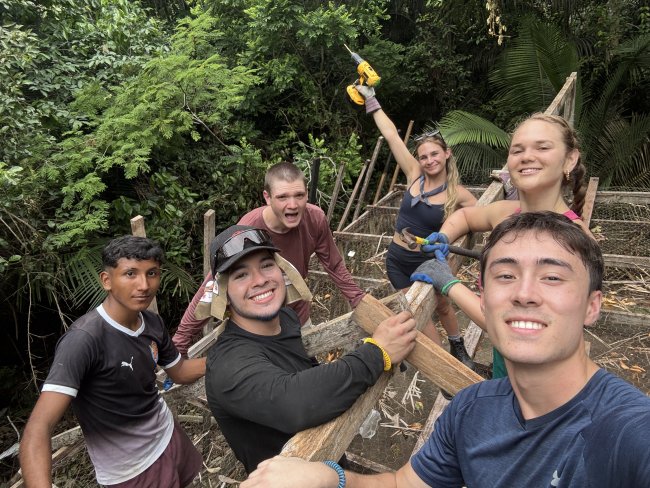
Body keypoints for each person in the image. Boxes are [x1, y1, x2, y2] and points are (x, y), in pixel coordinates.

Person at [240, 212, 650, 488]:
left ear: (593, 305)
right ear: (484, 297)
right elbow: (404, 484)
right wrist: (332, 476)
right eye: (506, 275)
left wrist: (370, 338)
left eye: (552, 277)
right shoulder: (470, 410)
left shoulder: (626, 433)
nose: (525, 293)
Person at [203, 225, 417, 473]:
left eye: (266, 265)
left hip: (330, 463)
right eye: (241, 275)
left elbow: (301, 369)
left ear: (282, 270)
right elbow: (296, 403)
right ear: (224, 294)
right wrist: (377, 352)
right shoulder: (228, 367)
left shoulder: (286, 318)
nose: (260, 280)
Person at [20, 236, 207, 487]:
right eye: (130, 274)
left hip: (167, 434)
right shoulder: (84, 340)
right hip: (131, 470)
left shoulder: (151, 323)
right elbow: (38, 430)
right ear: (106, 280)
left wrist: (225, 357)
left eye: (151, 273)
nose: (143, 285)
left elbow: (180, 371)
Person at [419, 112, 591, 378]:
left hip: (539, 380)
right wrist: (443, 236)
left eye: (542, 147)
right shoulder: (508, 212)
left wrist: (449, 283)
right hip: (505, 363)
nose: (526, 156)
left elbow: (505, 322)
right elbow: (465, 216)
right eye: (517, 150)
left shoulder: (571, 239)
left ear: (570, 159)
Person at [172, 162, 366, 356]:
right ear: (267, 197)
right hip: (258, 326)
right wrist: (180, 340)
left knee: (306, 369)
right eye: (282, 197)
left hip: (298, 316)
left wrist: (358, 299)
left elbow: (334, 264)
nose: (293, 205)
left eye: (299, 195)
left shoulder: (315, 218)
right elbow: (213, 286)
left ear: (307, 193)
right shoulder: (248, 231)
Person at [354, 85, 477, 372]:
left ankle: (458, 348)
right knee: (417, 315)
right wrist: (372, 100)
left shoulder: (457, 194)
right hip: (397, 260)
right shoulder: (413, 174)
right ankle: (443, 368)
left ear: (447, 153)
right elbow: (391, 135)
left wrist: (452, 238)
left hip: (427, 261)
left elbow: (476, 221)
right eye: (424, 156)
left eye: (435, 154)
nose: (429, 160)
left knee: (443, 306)